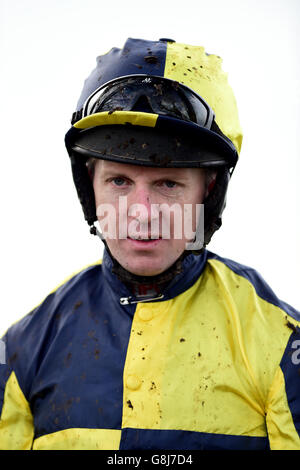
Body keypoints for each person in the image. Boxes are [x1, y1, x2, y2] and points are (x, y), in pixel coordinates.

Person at [0, 37, 299, 451]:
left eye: (168, 183)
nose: (141, 212)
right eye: (119, 181)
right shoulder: (21, 350)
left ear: (208, 191)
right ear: (91, 187)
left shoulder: (281, 343)